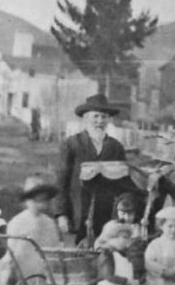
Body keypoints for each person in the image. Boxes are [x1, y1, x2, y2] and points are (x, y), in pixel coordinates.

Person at [56, 94, 140, 245]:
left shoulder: (115, 147)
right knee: (78, 254)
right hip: (78, 211)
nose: (100, 121)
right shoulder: (72, 144)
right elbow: (62, 181)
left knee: (104, 253)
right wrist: (61, 214)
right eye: (95, 116)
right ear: (85, 118)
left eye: (104, 117)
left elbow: (123, 183)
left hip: (107, 213)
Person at [5, 173, 63, 285]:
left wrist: (52, 265)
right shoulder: (17, 222)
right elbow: (11, 247)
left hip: (40, 267)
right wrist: (11, 266)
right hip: (23, 266)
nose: (40, 205)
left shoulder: (48, 223)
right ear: (27, 201)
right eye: (35, 201)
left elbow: (53, 245)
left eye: (43, 201)